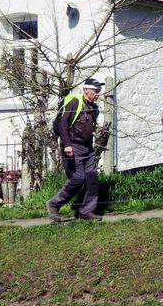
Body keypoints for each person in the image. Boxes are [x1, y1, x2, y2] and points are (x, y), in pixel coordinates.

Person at [47, 78, 104, 222]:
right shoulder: (74, 102)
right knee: (78, 179)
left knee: (91, 179)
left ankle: (86, 212)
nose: (98, 94)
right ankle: (54, 204)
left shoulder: (93, 107)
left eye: (99, 91)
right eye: (95, 91)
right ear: (86, 90)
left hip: (88, 147)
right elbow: (62, 124)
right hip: (72, 146)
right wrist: (67, 145)